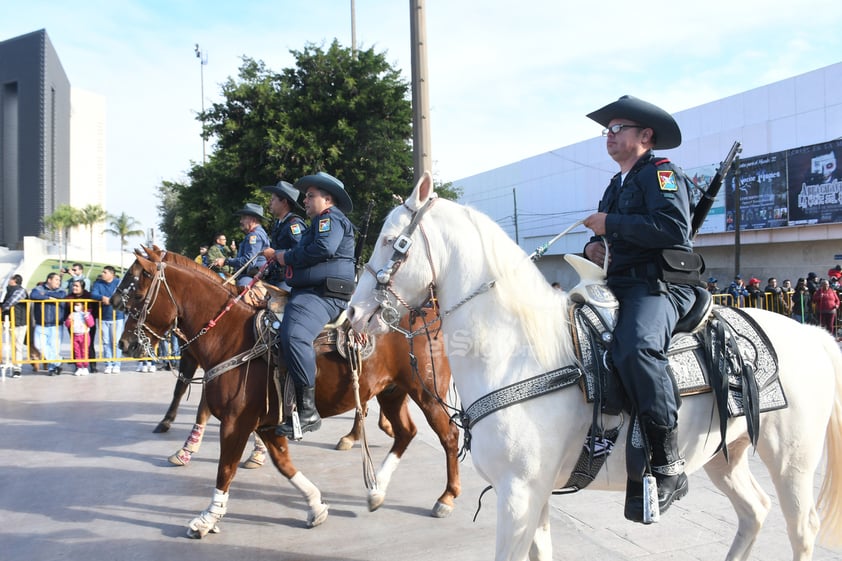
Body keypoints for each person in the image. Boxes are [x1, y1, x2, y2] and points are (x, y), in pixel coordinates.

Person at [582, 95, 700, 522]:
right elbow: (610, 240)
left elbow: (673, 229)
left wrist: (609, 225)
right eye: (606, 131)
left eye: (618, 129)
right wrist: (595, 246)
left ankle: (669, 462)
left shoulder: (662, 174)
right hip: (620, 283)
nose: (609, 138)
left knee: (636, 349)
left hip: (660, 286)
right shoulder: (616, 184)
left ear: (645, 136)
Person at [269, 172, 356, 438]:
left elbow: (323, 249)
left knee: (294, 335)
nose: (304, 200)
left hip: (323, 294)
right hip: (311, 291)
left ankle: (307, 411)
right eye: (306, 196)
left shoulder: (329, 219)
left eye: (310, 195)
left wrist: (284, 256)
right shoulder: (318, 221)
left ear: (327, 199)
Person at [261, 180, 306, 290]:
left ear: (284, 202)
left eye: (273, 199)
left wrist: (274, 253)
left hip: (288, 278)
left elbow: (300, 251)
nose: (270, 203)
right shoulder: (279, 223)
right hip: (276, 276)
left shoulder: (294, 224)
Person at [212, 203, 269, 287]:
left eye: (244, 218)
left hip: (252, 275)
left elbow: (248, 261)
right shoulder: (256, 233)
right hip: (251, 274)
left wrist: (226, 261)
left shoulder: (254, 236)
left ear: (253, 220)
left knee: (241, 289)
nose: (240, 221)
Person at [29, 272, 67, 375]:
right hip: (41, 324)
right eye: (56, 280)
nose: (58, 282)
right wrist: (49, 298)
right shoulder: (39, 288)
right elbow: (34, 295)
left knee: (54, 348)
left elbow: (61, 295)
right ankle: (58, 361)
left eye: (59, 280)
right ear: (49, 280)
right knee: (39, 345)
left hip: (55, 324)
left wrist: (45, 295)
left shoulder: (61, 290)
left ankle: (52, 368)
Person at [91, 266, 125, 373]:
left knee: (115, 342)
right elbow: (93, 294)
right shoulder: (98, 283)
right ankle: (108, 364)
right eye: (103, 271)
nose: (102, 274)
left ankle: (117, 364)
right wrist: (102, 298)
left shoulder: (119, 282)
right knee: (106, 342)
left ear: (112, 274)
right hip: (103, 317)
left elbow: (123, 294)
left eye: (105, 272)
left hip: (117, 317)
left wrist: (110, 299)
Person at [1, 274, 28, 377]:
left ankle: (17, 368)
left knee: (18, 346)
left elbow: (10, 302)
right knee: (6, 345)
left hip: (18, 322)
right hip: (7, 321)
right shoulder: (6, 290)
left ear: (14, 281)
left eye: (10, 279)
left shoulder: (20, 290)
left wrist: (2, 308)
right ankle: (7, 364)